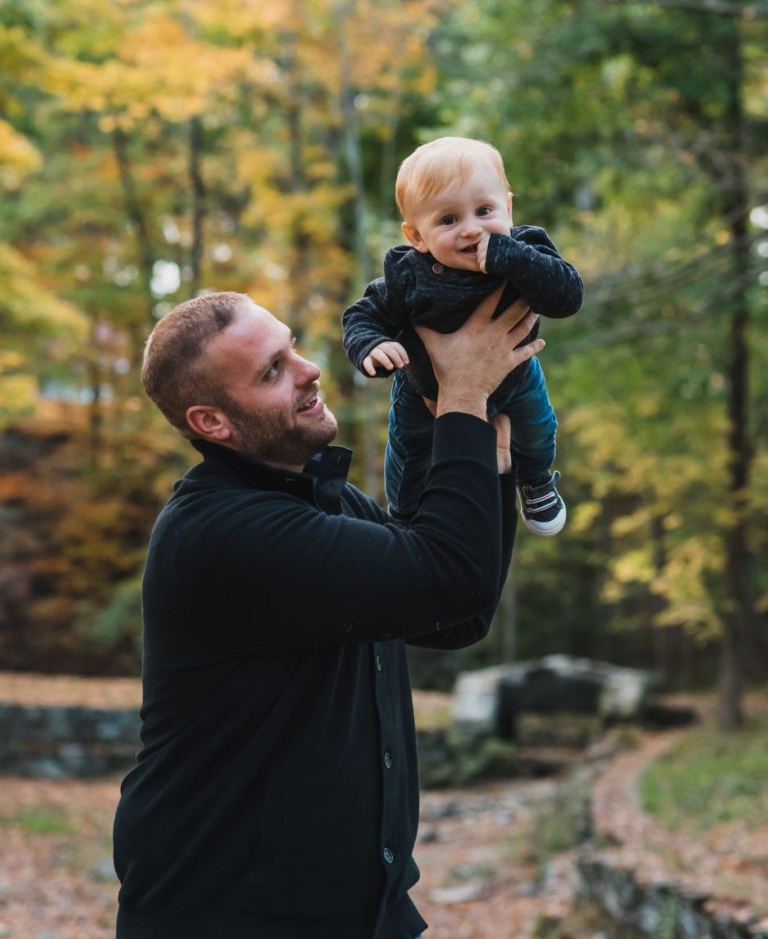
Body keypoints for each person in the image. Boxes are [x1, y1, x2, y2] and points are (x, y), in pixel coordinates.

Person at [113, 287, 544, 939]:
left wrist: (491, 464)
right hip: (223, 918)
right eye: (272, 370)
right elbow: (447, 577)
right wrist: (462, 398)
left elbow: (457, 615)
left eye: (292, 347)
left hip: (363, 913)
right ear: (212, 422)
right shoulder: (222, 534)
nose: (309, 369)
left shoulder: (324, 501)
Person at [343, 135, 583, 536]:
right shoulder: (407, 274)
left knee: (538, 428)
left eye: (484, 210)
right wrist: (372, 345)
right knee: (410, 452)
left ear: (507, 207)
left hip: (517, 377)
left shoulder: (527, 249)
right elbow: (363, 314)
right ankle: (403, 516)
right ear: (417, 236)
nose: (472, 230)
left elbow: (568, 297)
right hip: (426, 391)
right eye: (448, 220)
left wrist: (511, 257)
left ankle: (537, 480)